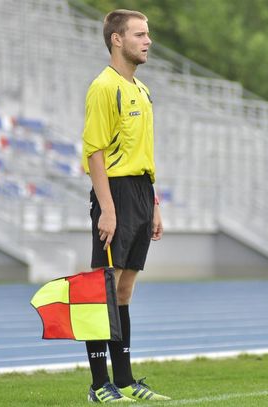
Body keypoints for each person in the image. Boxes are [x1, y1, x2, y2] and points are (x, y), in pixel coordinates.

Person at [81, 9, 170, 403]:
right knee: (103, 289)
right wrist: (107, 208)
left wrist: (154, 203)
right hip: (114, 192)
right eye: (139, 34)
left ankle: (126, 380)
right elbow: (94, 152)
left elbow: (143, 153)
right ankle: (99, 385)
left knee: (124, 290)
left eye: (147, 34)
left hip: (140, 192)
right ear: (117, 40)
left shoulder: (143, 90)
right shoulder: (104, 87)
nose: (148, 41)